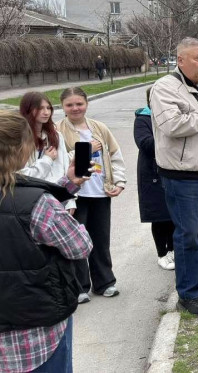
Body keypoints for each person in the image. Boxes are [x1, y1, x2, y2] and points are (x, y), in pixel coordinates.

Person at [0, 111, 92, 373]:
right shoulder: (37, 203)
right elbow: (80, 246)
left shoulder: (34, 201)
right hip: (38, 333)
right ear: (21, 150)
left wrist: (67, 184)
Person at [150, 37, 198, 316]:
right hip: (182, 176)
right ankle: (188, 294)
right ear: (180, 60)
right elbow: (173, 126)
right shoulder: (164, 88)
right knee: (187, 235)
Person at [58, 87, 126, 304]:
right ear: (63, 107)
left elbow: (115, 156)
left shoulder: (100, 128)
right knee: (76, 241)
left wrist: (119, 182)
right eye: (70, 105)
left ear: (86, 104)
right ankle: (80, 287)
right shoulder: (57, 131)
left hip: (100, 192)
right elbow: (59, 162)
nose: (75, 108)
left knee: (100, 239)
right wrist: (85, 148)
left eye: (79, 104)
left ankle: (105, 282)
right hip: (75, 195)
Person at [134, 87, 175, 270]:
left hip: (173, 170)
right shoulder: (143, 119)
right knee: (159, 216)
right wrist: (172, 138)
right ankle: (162, 254)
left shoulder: (172, 116)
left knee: (174, 215)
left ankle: (173, 250)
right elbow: (145, 143)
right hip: (153, 174)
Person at [18, 92, 71, 197]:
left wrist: (69, 198)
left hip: (58, 195)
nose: (46, 112)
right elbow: (22, 176)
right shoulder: (19, 139)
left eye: (48, 108)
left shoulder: (56, 136)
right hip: (34, 197)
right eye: (40, 108)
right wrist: (47, 160)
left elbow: (65, 168)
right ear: (27, 109)